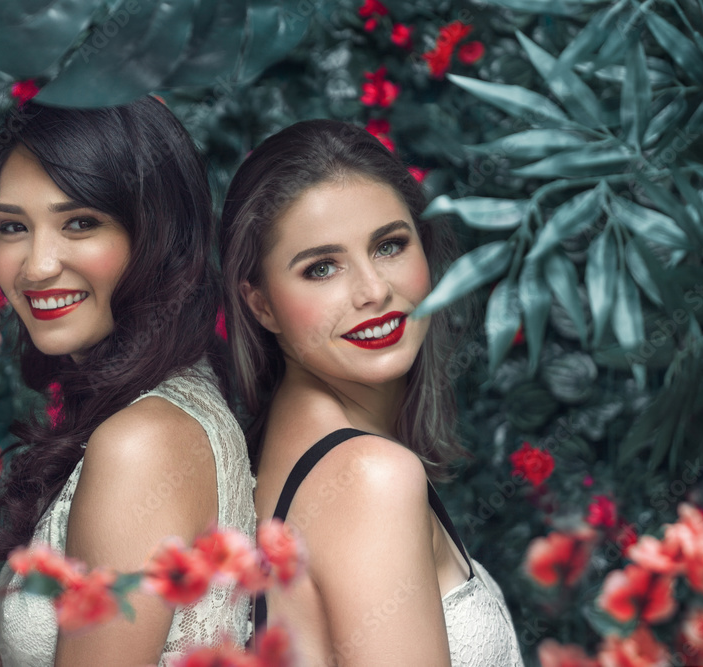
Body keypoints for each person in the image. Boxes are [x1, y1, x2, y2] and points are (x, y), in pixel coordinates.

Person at [221, 119, 523, 666]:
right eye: (322, 268)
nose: (373, 289)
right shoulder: (368, 478)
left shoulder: (287, 451)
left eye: (389, 246)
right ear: (259, 304)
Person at [0, 97, 256, 666]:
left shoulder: (142, 443)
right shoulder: (164, 400)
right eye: (13, 227)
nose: (37, 265)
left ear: (159, 235)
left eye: (80, 223)